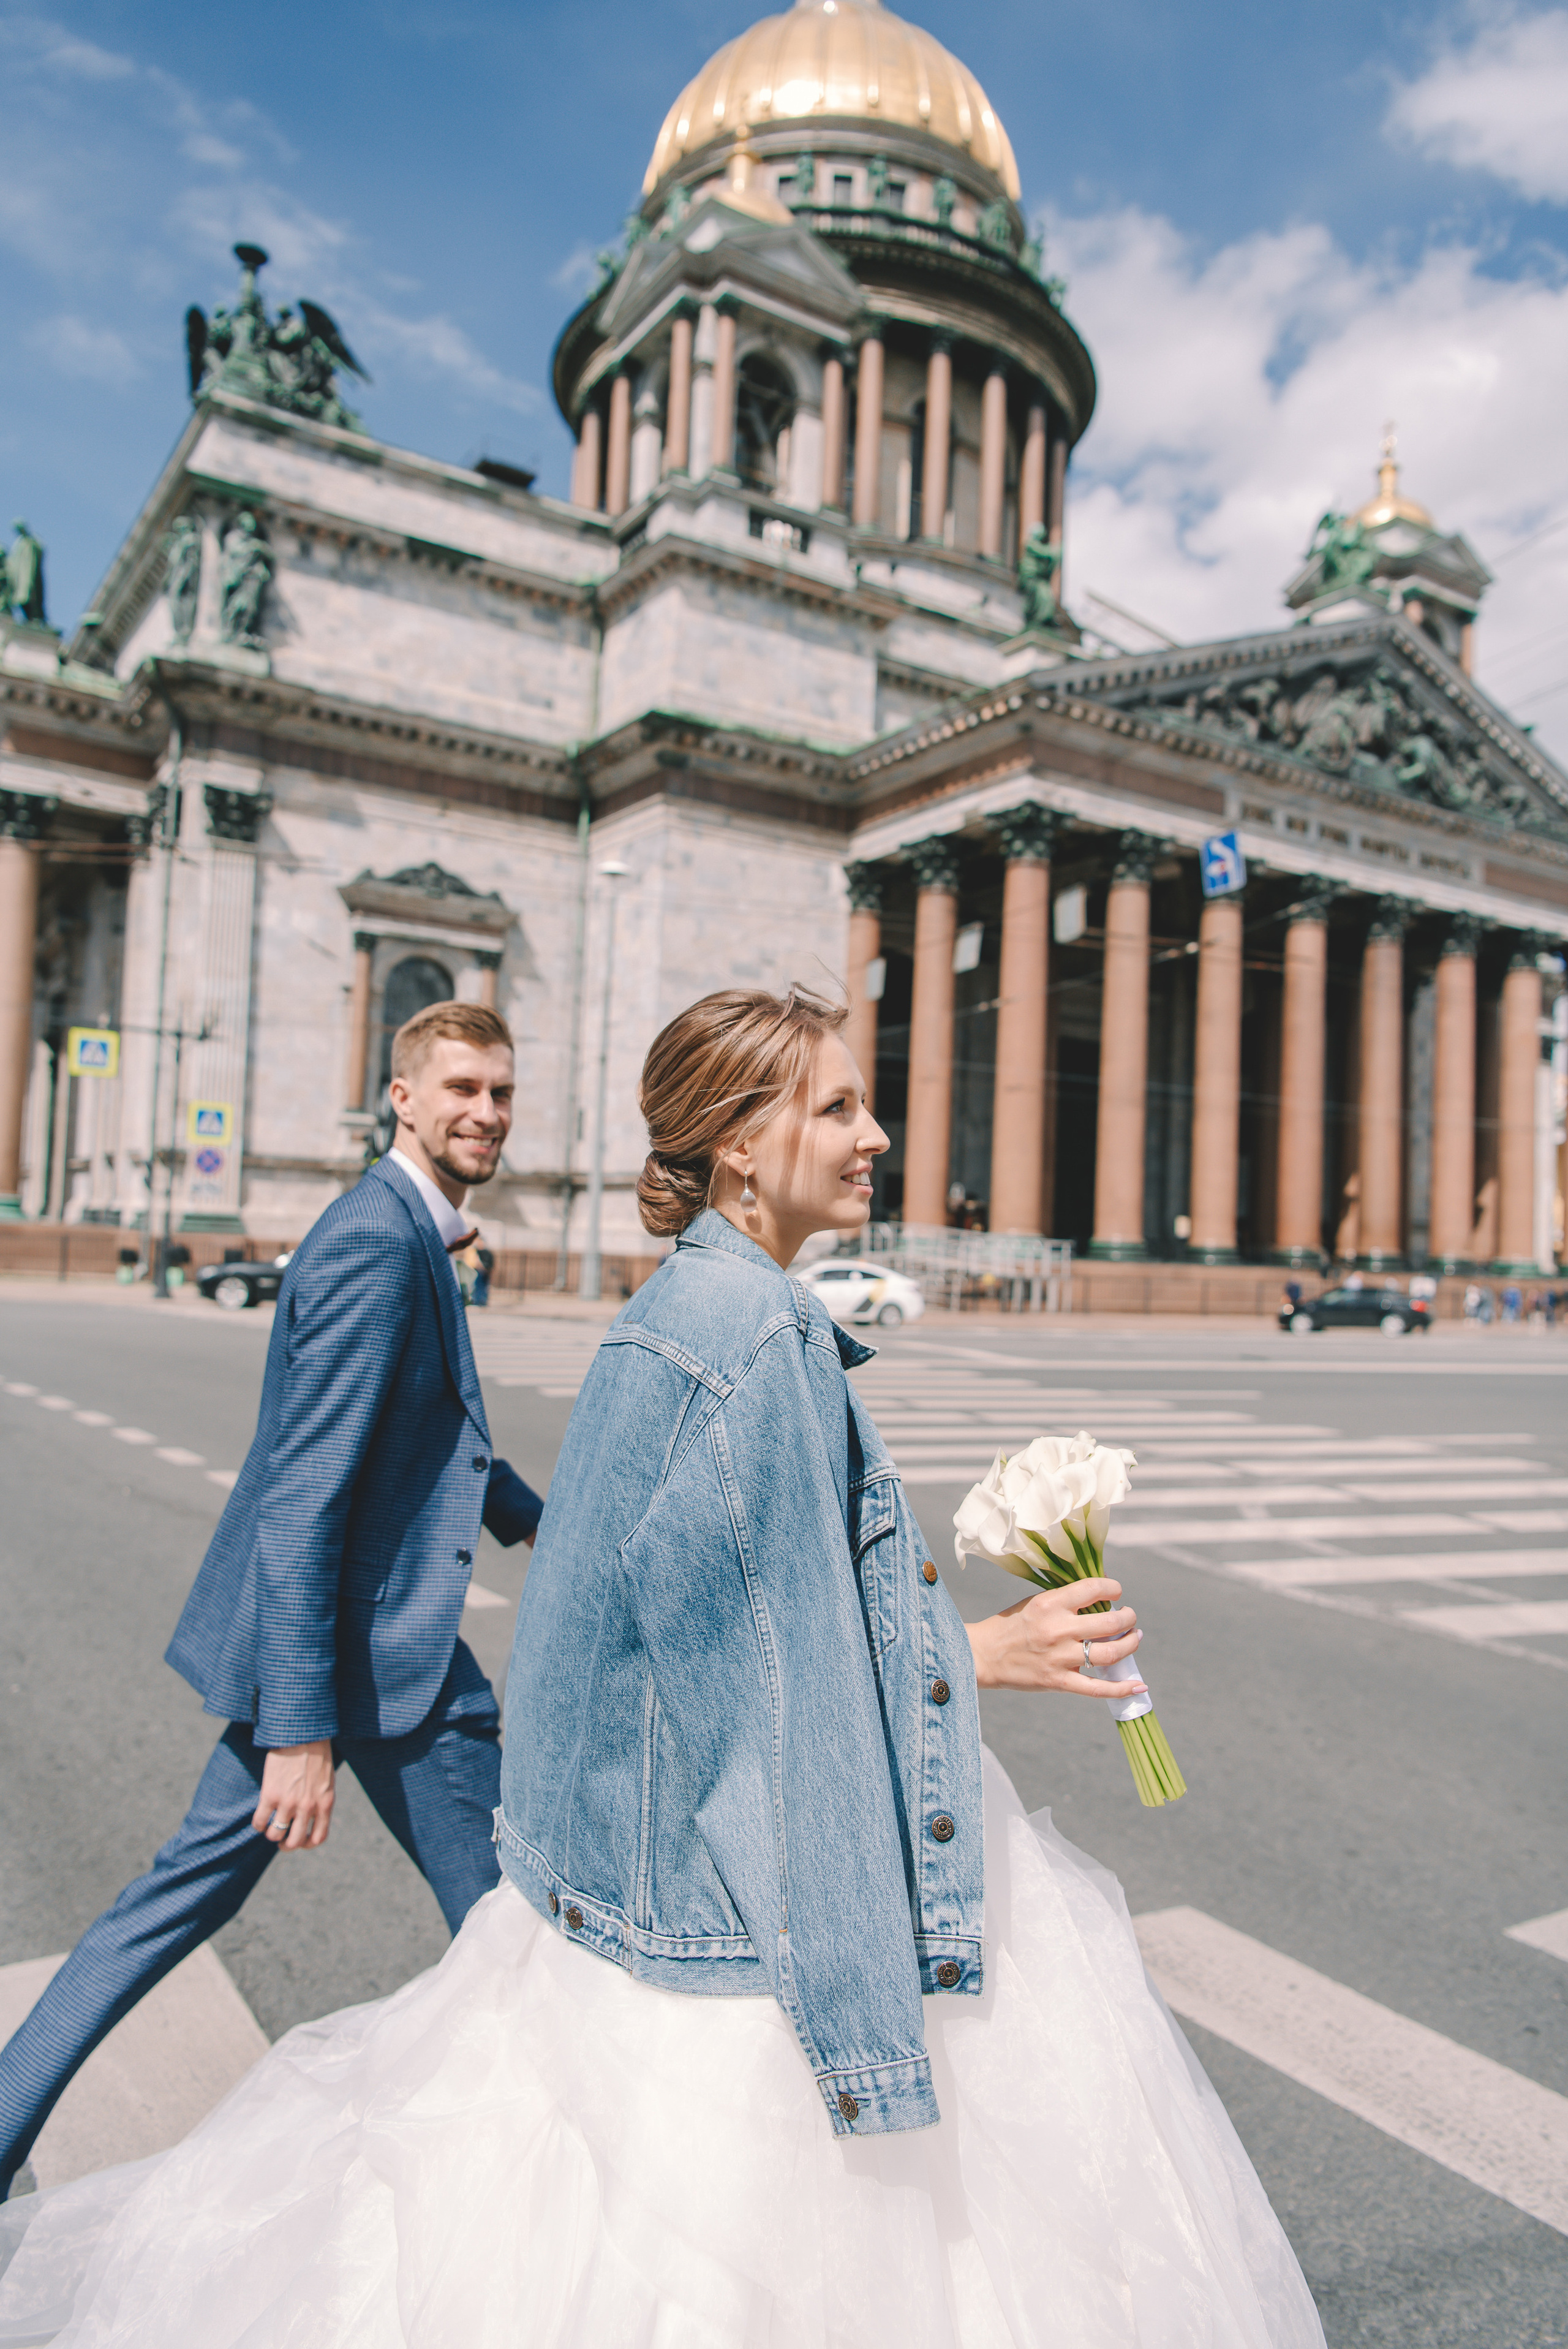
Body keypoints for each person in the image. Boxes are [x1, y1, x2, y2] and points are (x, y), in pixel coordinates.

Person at [0, 986, 1324, 2348]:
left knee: (520, 2014)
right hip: (371, 1668)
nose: (877, 1134)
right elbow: (754, 1672)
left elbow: (506, 1476)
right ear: (739, 1145)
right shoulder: (704, 1324)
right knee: (539, 2049)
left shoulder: (685, 1305)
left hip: (460, 1705)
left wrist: (569, 1528)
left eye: (502, 1091)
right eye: (838, 1107)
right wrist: (974, 1650)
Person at [0, 1000, 541, 2206]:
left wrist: (535, 1519)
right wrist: (300, 1728)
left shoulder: (405, 1227)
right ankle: (519, 2186)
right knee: (515, 1932)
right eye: (461, 1088)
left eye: (501, 1092)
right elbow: (305, 1497)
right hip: (375, 1655)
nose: (486, 1113)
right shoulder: (378, 1243)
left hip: (356, 1638)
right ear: (402, 1096)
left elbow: (426, 1428)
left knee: (176, 1898)